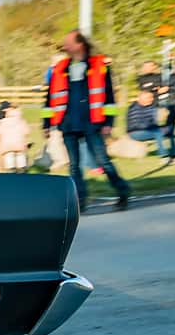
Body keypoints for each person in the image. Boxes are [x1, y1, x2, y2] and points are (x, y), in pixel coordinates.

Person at [44, 30, 132, 211]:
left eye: (68, 43)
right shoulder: (60, 68)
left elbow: (109, 96)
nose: (65, 46)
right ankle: (80, 201)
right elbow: (49, 98)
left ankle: (123, 191)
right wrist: (47, 124)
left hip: (92, 122)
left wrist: (109, 122)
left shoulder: (99, 66)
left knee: (103, 161)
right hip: (68, 123)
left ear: (79, 45)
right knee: (74, 166)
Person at [0, 101, 32, 172]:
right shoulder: (21, 121)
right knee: (20, 155)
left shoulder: (2, 122)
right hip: (19, 143)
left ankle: (11, 169)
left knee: (9, 156)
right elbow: (27, 131)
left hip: (7, 145)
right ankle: (22, 168)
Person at [125, 88, 167, 155]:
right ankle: (164, 154)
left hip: (148, 130)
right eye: (149, 98)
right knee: (158, 133)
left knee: (166, 129)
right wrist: (152, 127)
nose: (151, 99)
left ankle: (173, 151)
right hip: (135, 132)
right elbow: (136, 125)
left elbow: (153, 122)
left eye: (152, 97)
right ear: (141, 98)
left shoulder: (151, 107)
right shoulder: (134, 108)